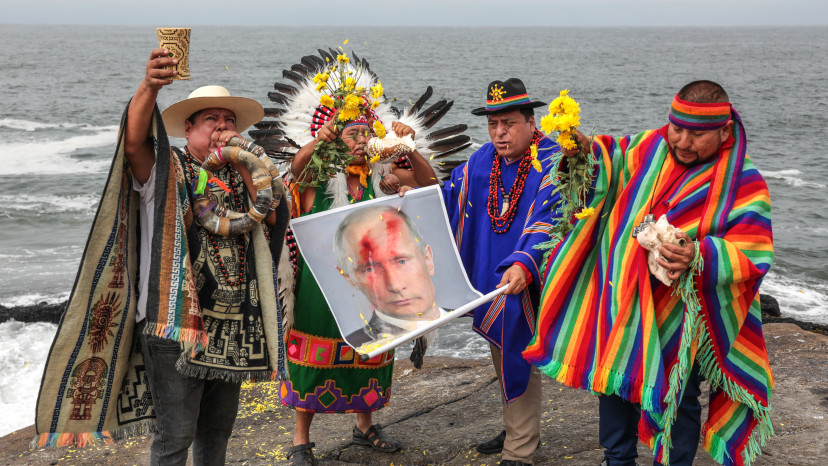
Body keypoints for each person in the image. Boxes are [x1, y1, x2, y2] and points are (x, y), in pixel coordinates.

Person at [34, 48, 290, 465]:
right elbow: (133, 144)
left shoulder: (244, 178)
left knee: (216, 436)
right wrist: (150, 86)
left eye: (229, 121)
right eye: (212, 120)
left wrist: (246, 160)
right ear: (188, 129)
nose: (223, 128)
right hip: (175, 328)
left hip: (232, 330)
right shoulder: (170, 171)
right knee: (175, 438)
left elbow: (272, 213)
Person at [523, 81, 774, 466]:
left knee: (679, 394)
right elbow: (608, 159)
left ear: (724, 131)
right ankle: (617, 459)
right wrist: (577, 143)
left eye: (697, 134)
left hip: (684, 314)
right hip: (624, 296)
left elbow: (753, 249)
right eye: (677, 128)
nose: (684, 142)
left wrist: (699, 254)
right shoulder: (650, 146)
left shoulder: (742, 180)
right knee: (615, 381)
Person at [280, 109, 439, 464]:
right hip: (320, 283)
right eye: (351, 134)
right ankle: (300, 440)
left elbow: (429, 185)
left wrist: (407, 146)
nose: (361, 142)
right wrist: (320, 139)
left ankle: (364, 426)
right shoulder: (319, 176)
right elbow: (296, 169)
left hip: (370, 282)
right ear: (335, 138)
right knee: (312, 353)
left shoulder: (382, 175)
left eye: (366, 134)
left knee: (371, 346)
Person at [441, 78, 561, 466]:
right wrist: (410, 188)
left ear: (531, 121)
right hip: (495, 279)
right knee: (502, 350)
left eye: (508, 123)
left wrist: (525, 261)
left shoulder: (553, 159)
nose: (499, 132)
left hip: (537, 276)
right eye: (493, 125)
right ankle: (516, 427)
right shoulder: (483, 160)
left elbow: (550, 215)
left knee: (517, 348)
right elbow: (451, 194)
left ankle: (520, 448)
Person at [333, 204, 442, 348]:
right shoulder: (357, 346)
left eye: (402, 261)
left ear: (428, 259)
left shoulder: (469, 311)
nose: (395, 286)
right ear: (351, 279)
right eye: (370, 269)